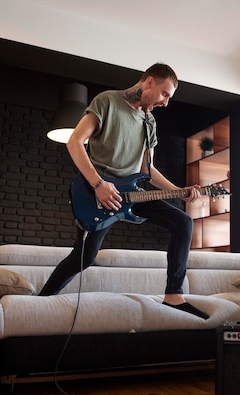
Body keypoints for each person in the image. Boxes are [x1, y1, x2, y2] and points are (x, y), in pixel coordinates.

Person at [39, 63, 209, 320]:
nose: (166, 103)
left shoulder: (149, 122)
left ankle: (174, 295)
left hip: (132, 193)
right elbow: (75, 142)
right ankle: (40, 301)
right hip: (98, 193)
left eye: (169, 98)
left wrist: (179, 191)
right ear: (149, 82)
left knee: (183, 222)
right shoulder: (107, 101)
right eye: (164, 94)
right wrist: (99, 185)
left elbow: (147, 170)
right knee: (83, 257)